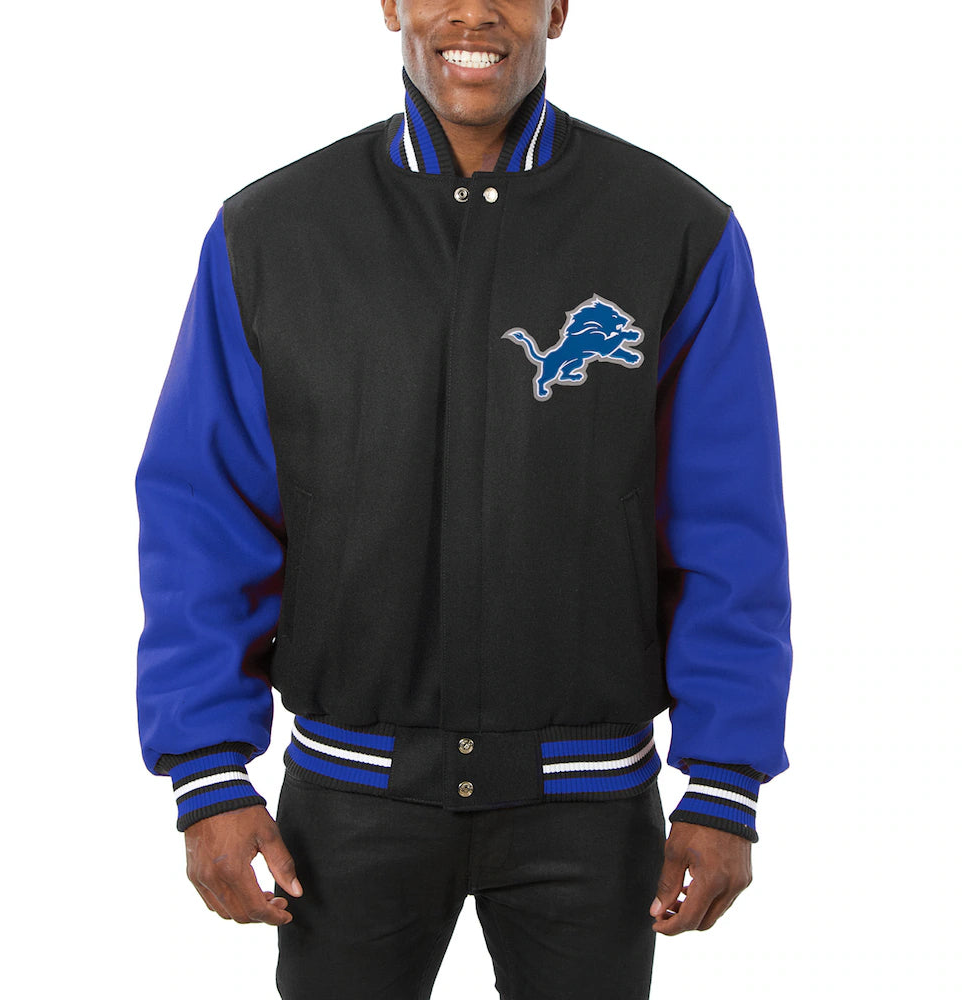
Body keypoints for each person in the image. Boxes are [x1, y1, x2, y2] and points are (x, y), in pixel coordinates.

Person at [134, 2, 793, 997]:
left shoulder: (675, 231)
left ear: (558, 9)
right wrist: (207, 771)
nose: (474, 11)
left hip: (588, 809)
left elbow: (728, 522)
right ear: (391, 5)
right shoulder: (271, 232)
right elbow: (203, 513)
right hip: (349, 804)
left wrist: (726, 780)